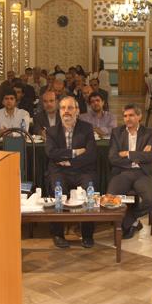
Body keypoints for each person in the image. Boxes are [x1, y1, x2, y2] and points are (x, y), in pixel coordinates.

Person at [45, 96, 97, 248]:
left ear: (77, 111)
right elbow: (51, 153)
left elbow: (91, 154)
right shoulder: (52, 131)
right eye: (63, 108)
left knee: (89, 192)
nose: (66, 111)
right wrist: (74, 152)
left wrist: (69, 162)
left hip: (83, 170)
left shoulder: (87, 128)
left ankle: (87, 235)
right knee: (58, 192)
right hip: (59, 171)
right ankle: (58, 234)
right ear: (59, 111)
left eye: (70, 108)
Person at [107, 104, 152, 239]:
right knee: (110, 200)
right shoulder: (117, 132)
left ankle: (130, 220)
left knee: (151, 200)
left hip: (143, 173)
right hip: (123, 173)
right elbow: (113, 158)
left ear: (139, 116)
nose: (128, 119)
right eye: (125, 116)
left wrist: (127, 153)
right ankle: (131, 223)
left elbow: (150, 156)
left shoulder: (148, 133)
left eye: (131, 115)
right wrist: (138, 156)